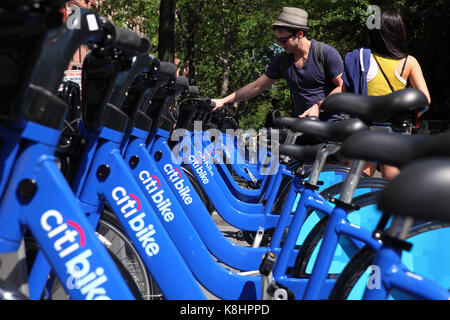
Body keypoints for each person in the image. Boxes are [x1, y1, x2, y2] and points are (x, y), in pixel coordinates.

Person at [211, 7, 345, 144]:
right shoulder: (282, 61)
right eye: (277, 41)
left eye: (283, 40)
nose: (280, 45)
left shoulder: (325, 53)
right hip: (302, 131)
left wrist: (318, 106)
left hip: (331, 129)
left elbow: (343, 87)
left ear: (299, 34)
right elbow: (256, 86)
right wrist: (223, 101)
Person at [343, 10, 431, 179]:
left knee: (360, 184)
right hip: (396, 130)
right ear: (398, 32)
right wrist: (411, 116)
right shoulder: (409, 62)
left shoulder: (363, 59)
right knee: (391, 185)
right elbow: (425, 100)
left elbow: (346, 93)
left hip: (366, 129)